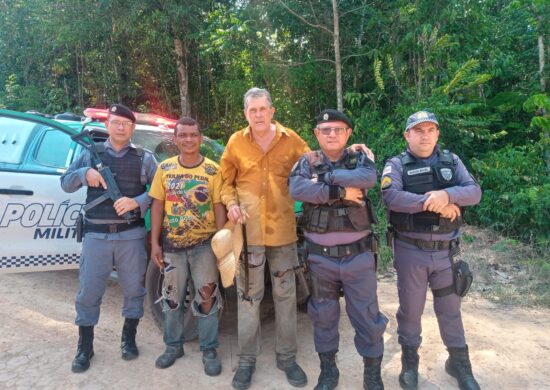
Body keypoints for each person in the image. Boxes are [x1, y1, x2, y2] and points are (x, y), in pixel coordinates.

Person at [381, 111, 482, 390]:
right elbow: (390, 197)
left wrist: (447, 195)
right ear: (407, 135)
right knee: (411, 310)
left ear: (437, 133)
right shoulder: (396, 164)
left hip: (447, 251)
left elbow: (474, 192)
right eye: (418, 130)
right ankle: (409, 361)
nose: (425, 136)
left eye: (430, 130)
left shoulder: (452, 160)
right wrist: (433, 200)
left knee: (450, 308)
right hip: (410, 250)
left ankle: (459, 362)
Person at [289, 109, 388, 390]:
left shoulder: (361, 158)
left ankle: (372, 374)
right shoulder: (306, 161)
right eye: (325, 130)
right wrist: (340, 191)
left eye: (337, 129)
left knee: (367, 316)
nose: (331, 134)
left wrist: (322, 179)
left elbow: (367, 179)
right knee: (323, 316)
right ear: (316, 134)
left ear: (348, 133)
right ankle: (328, 372)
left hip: (358, 256)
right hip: (320, 260)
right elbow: (297, 189)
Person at [220, 87, 310, 390]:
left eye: (262, 109)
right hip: (249, 235)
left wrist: (349, 151)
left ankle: (287, 357)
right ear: (246, 113)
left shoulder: (291, 140)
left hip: (283, 233)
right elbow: (225, 181)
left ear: (272, 111)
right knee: (248, 298)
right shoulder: (236, 142)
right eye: (252, 110)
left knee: (286, 296)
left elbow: (314, 164)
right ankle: (246, 360)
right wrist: (231, 203)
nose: (257, 114)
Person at [60, 104, 157, 373]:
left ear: (133, 128)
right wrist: (83, 174)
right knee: (89, 291)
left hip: (131, 236)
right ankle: (85, 346)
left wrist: (137, 202)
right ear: (107, 125)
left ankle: (128, 339)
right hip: (96, 236)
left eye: (126, 123)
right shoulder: (91, 154)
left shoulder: (144, 158)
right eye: (115, 122)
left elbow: (160, 190)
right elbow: (66, 183)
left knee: (134, 291)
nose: (121, 127)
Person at [149, 117, 226, 375]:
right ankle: (173, 346)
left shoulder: (213, 171)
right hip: (172, 246)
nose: (189, 140)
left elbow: (218, 207)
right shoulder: (165, 169)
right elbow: (157, 205)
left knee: (208, 298)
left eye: (193, 135)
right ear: (176, 139)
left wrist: (221, 244)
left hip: (205, 246)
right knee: (172, 299)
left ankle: (209, 349)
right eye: (183, 135)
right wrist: (155, 243)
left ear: (200, 137)